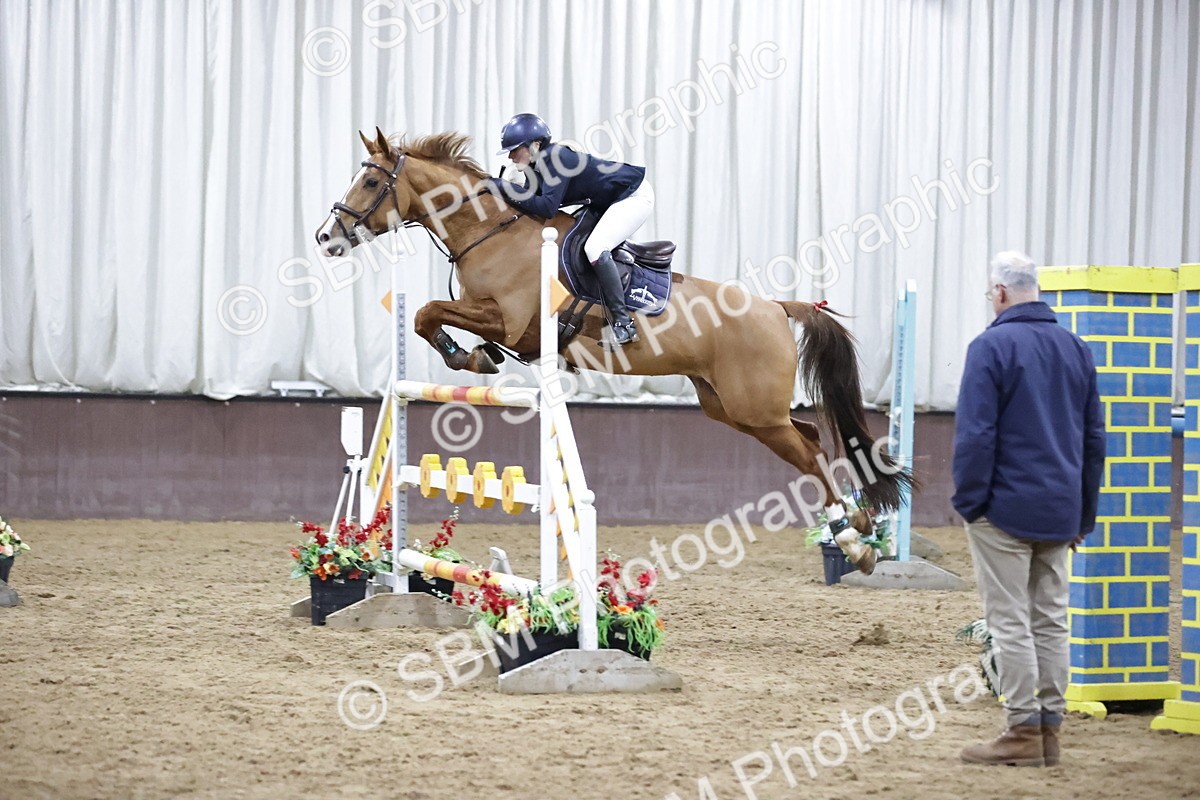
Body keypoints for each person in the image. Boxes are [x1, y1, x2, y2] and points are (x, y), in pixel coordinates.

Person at [952, 251, 1105, 767]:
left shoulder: (990, 346)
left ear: (999, 293)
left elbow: (976, 436)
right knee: (1051, 620)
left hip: (1004, 510)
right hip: (1061, 509)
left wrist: (969, 504)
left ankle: (1021, 730)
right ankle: (1050, 731)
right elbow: (1093, 440)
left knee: (1010, 620)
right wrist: (1084, 515)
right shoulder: (1076, 349)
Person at [491, 113, 653, 348]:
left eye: (515, 149)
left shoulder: (556, 158)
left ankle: (624, 324)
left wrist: (504, 187)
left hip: (634, 196)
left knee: (595, 247)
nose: (510, 155)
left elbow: (546, 208)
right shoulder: (537, 165)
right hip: (603, 202)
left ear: (535, 145)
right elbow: (530, 202)